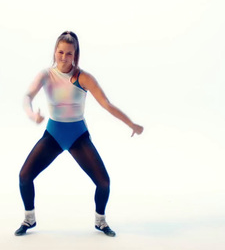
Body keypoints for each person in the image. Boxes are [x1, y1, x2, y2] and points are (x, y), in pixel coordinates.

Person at [14, 31, 144, 237]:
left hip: (77, 136)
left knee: (103, 182)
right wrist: (31, 114)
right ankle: (29, 219)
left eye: (69, 54)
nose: (64, 57)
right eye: (60, 52)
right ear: (55, 52)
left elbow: (106, 105)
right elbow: (27, 96)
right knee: (24, 176)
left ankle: (100, 221)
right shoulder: (46, 75)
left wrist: (132, 124)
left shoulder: (83, 77)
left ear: (76, 55)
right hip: (53, 135)